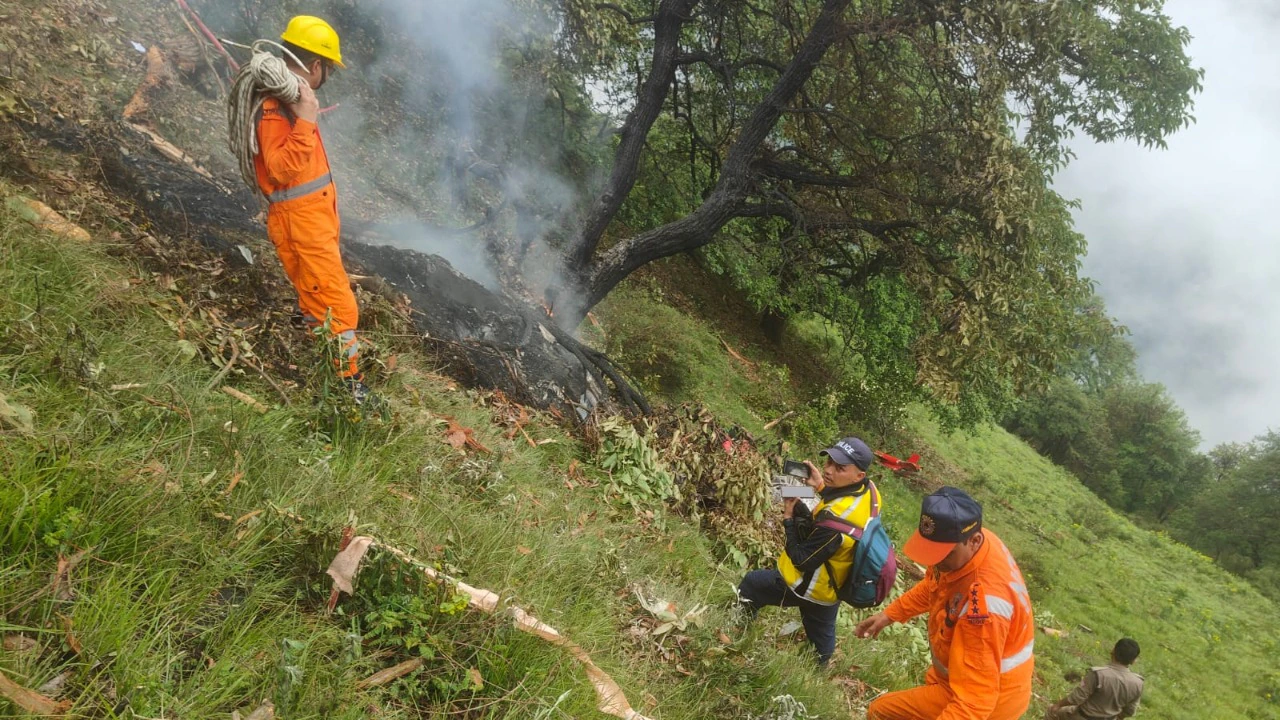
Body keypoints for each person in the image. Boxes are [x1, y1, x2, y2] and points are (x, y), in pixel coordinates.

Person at [254, 16, 370, 402]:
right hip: (300, 226)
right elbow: (280, 168)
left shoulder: (290, 100)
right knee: (339, 306)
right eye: (328, 68)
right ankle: (349, 390)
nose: (327, 76)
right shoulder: (276, 107)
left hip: (311, 222)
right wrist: (305, 119)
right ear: (316, 65)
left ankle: (324, 364)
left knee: (317, 299)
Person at [855, 486, 1035, 720]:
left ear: (974, 540)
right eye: (931, 552)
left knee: (880, 712)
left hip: (991, 702)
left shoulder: (983, 609)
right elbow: (935, 586)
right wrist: (890, 615)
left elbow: (975, 701)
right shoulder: (963, 544)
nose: (935, 562)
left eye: (943, 555)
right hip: (958, 679)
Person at [737, 437, 882, 666]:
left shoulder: (836, 524)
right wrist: (821, 488)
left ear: (858, 475)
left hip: (807, 586)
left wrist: (788, 518)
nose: (829, 470)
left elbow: (801, 560)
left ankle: (736, 631)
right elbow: (841, 507)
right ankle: (819, 668)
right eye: (829, 463)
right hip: (832, 588)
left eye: (840, 468)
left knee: (751, 585)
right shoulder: (870, 492)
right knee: (821, 648)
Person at [1045, 638, 1144, 720]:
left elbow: (1076, 698)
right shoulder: (1138, 683)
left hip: (1083, 716)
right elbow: (1130, 711)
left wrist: (1058, 705)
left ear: (1113, 651)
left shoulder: (1098, 674)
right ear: (1133, 661)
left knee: (1051, 711)